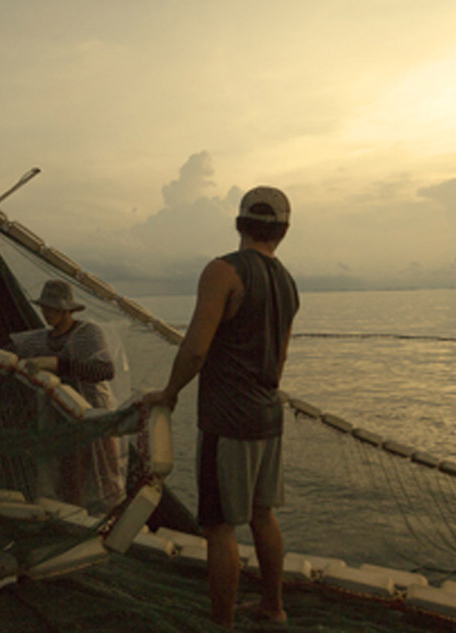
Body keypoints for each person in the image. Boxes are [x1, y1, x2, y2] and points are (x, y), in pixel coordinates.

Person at [140, 185, 299, 628]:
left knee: (218, 526)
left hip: (228, 421)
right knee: (262, 515)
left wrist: (169, 394)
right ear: (283, 231)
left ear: (238, 223)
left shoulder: (222, 271)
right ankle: (274, 606)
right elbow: (281, 358)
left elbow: (195, 349)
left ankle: (221, 624)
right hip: (269, 415)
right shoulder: (288, 282)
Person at [10, 279, 123, 513]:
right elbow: (11, 350)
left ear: (67, 310)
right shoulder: (41, 339)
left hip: (93, 414)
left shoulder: (87, 333)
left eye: (53, 309)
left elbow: (104, 371)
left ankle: (107, 519)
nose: (47, 314)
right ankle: (74, 516)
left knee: (103, 473)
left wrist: (57, 364)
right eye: (45, 308)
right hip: (63, 415)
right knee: (70, 473)